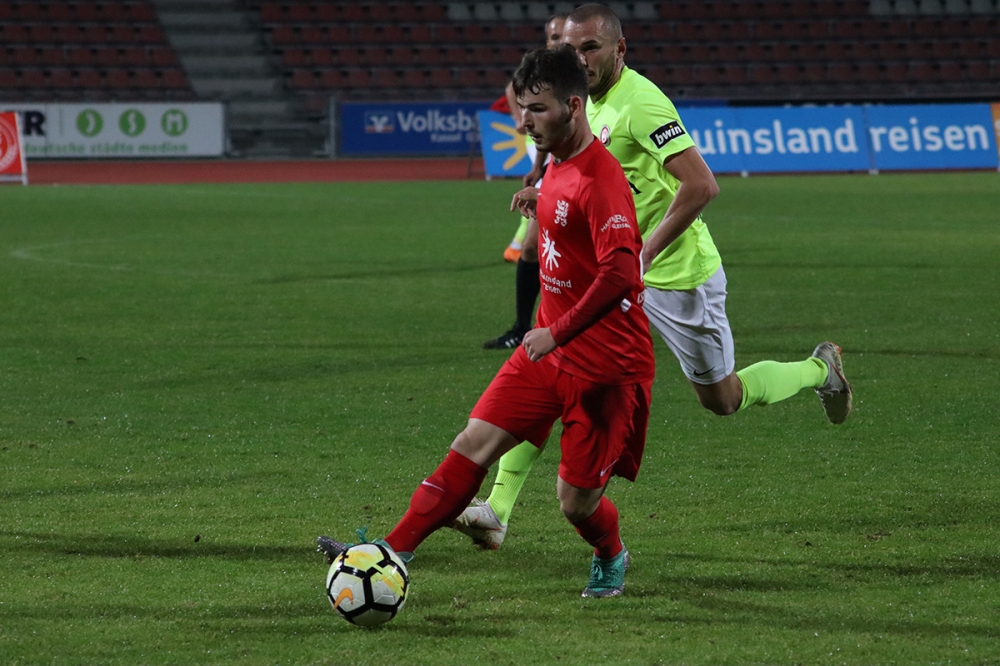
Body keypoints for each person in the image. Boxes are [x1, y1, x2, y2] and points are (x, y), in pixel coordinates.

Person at [453, 3, 853, 550]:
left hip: (676, 274)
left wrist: (643, 254)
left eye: (591, 48)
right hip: (608, 275)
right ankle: (497, 509)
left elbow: (701, 185)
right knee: (554, 370)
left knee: (722, 398)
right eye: (571, 49)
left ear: (619, 49)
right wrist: (541, 192)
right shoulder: (578, 100)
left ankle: (818, 370)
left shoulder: (641, 104)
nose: (580, 59)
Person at [319, 45, 655, 598]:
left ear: (574, 107)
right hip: (546, 352)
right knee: (473, 442)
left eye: (538, 110)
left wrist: (556, 331)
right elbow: (566, 208)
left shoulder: (601, 179)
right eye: (522, 109)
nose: (525, 122)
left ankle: (610, 552)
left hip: (604, 367)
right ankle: (387, 554)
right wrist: (540, 197)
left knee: (575, 503)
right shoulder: (560, 159)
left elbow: (621, 274)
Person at [484, 13, 567, 346]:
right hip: (557, 167)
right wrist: (538, 166)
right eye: (553, 37)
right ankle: (521, 328)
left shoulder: (585, 77)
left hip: (585, 171)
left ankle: (573, 327)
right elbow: (513, 88)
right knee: (531, 248)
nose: (558, 42)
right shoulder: (546, 75)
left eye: (563, 36)